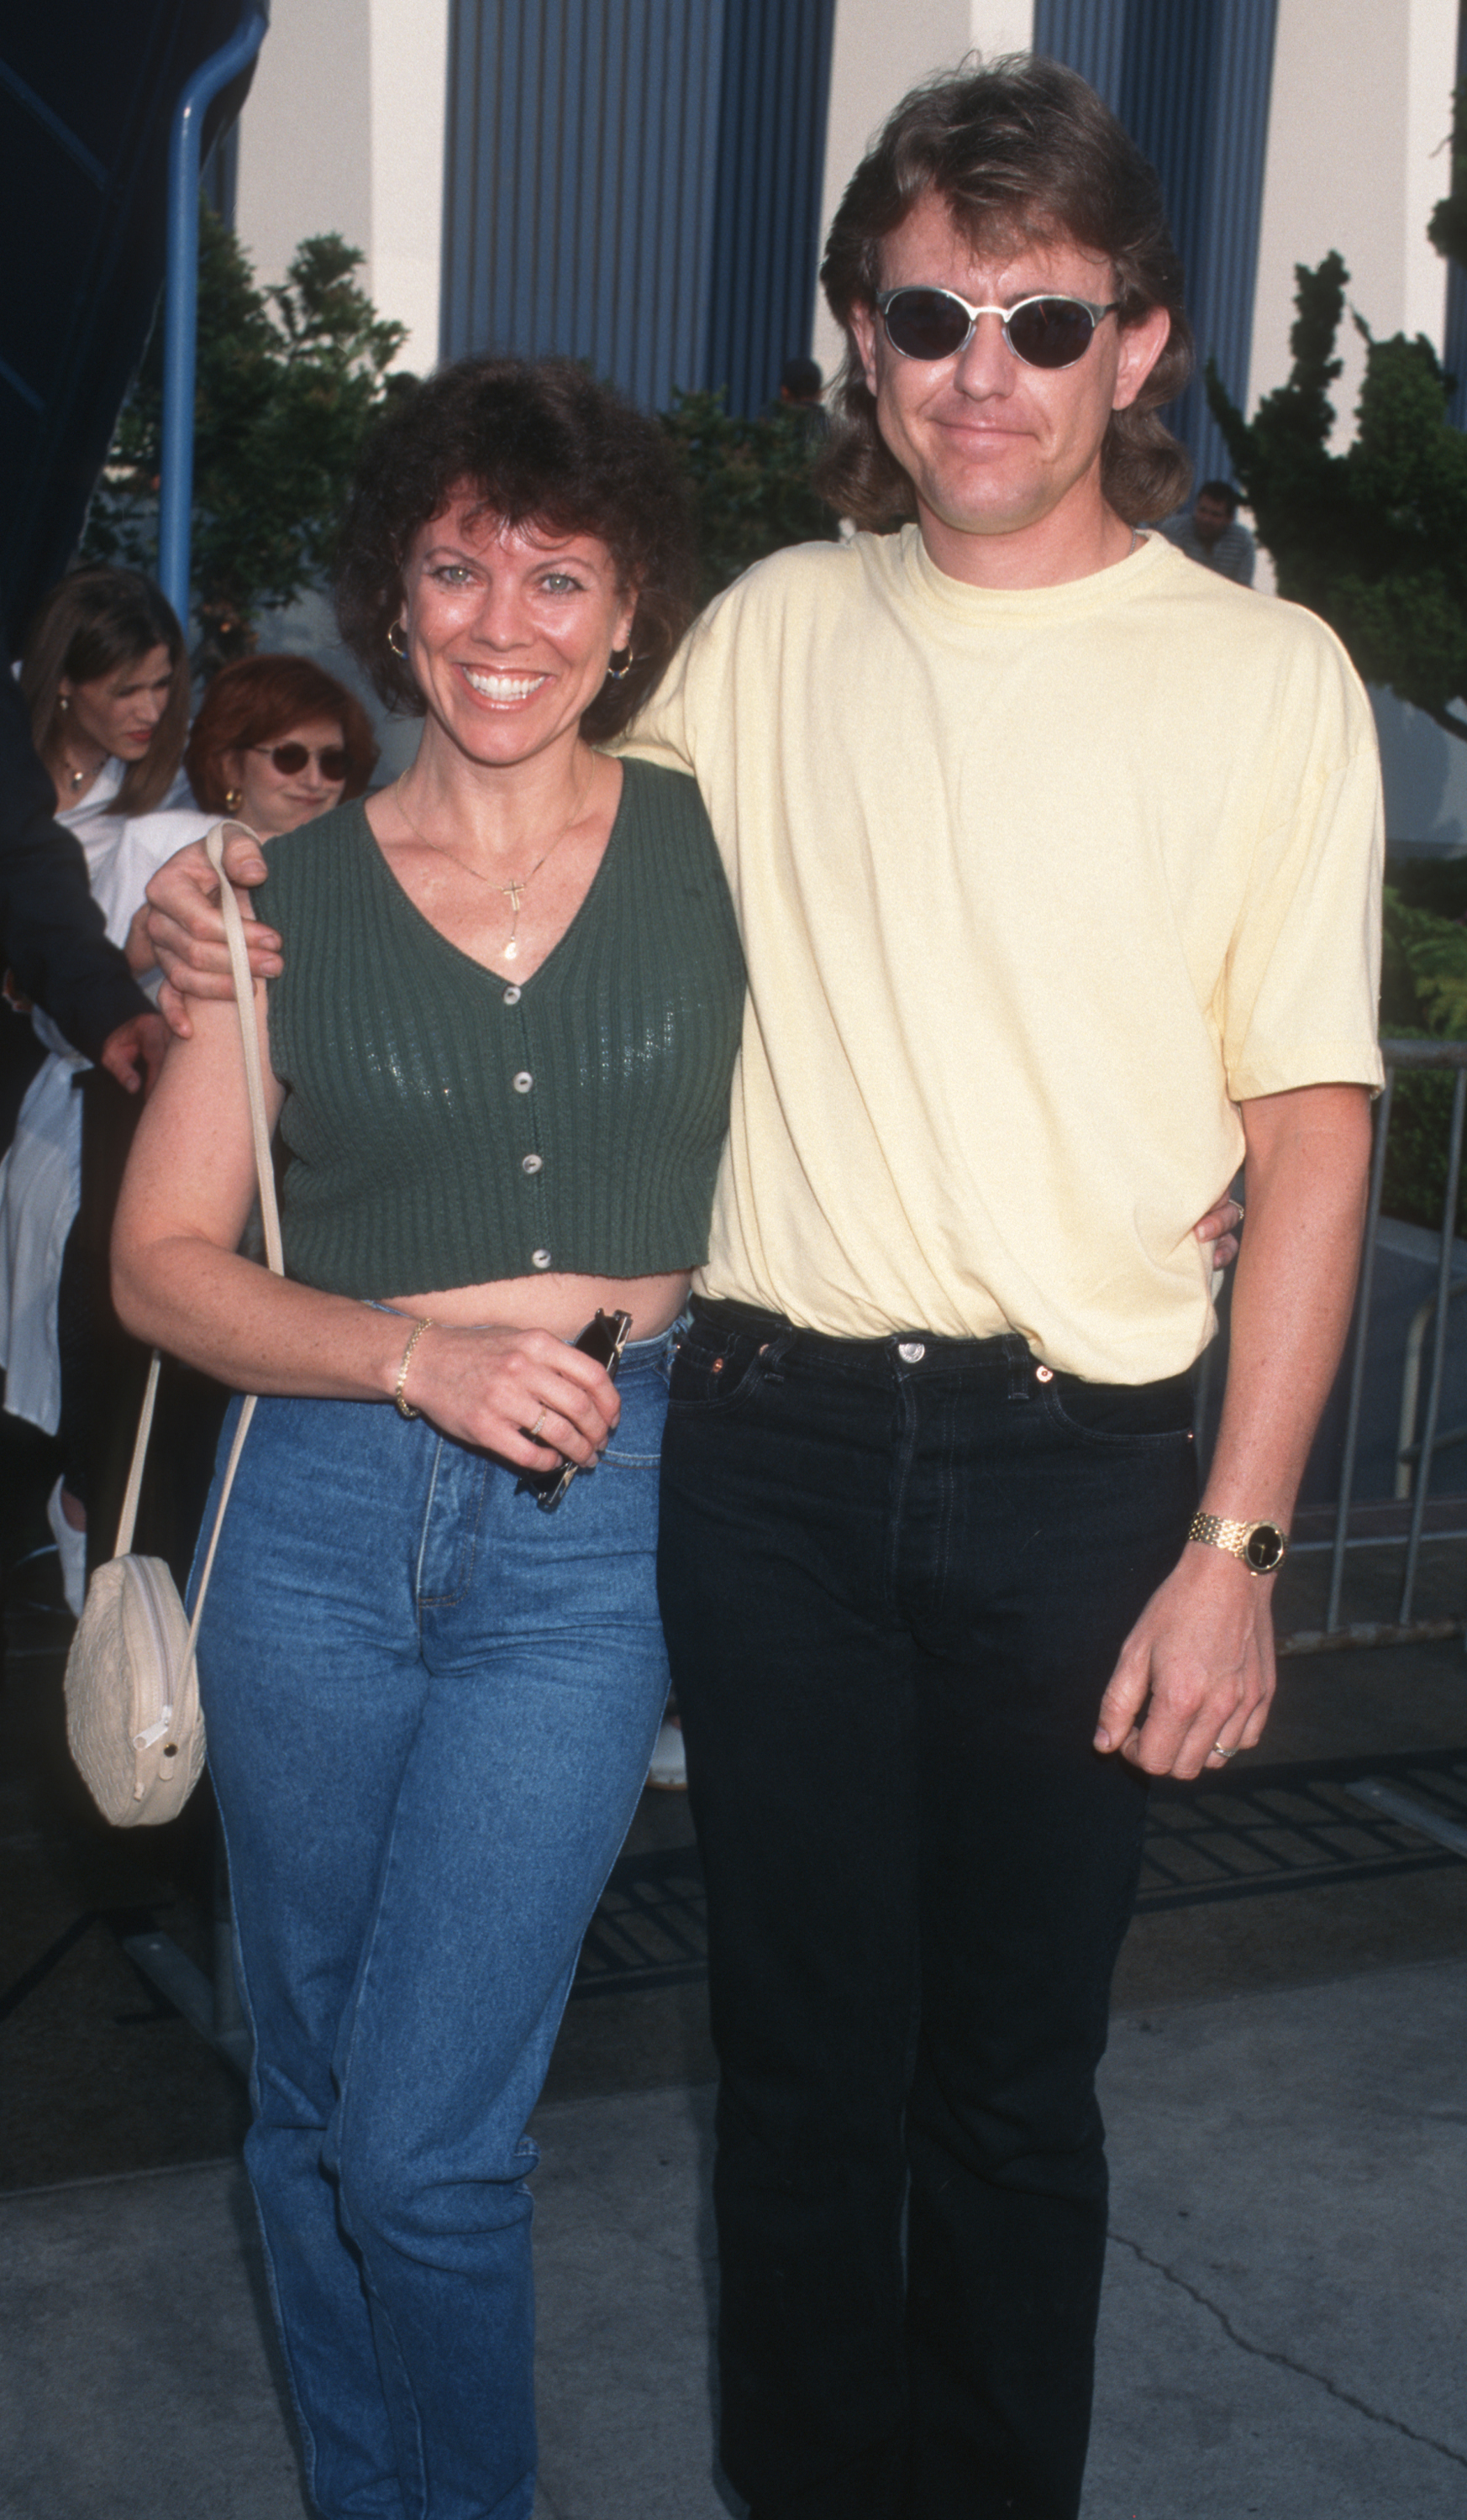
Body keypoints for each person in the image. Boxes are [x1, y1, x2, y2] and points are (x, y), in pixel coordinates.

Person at [111, 355, 745, 2520]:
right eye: (457, 564)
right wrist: (408, 1358)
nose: (500, 619)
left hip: (593, 1529)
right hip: (312, 1515)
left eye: (555, 573)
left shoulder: (717, 843)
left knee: (428, 2139)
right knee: (301, 2088)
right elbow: (163, 1262)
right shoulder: (268, 889)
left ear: (629, 607)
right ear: (395, 591)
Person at [2, 569, 197, 1600]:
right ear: (62, 684)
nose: (150, 711)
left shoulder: (161, 815)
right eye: (127, 687)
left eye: (164, 685)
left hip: (79, 1078)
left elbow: (54, 929)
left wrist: (110, 984)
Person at [182, 650, 378, 831]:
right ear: (230, 767)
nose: (314, 781)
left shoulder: (360, 863)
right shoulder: (169, 849)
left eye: (332, 761)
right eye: (289, 757)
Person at [1161, 476, 1257, 583]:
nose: (1206, 519)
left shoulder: (1242, 541)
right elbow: (1163, 575)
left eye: (1215, 515)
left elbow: (1243, 588)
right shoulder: (1175, 529)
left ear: (1229, 519)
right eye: (1202, 510)